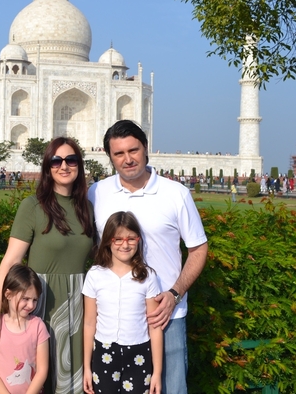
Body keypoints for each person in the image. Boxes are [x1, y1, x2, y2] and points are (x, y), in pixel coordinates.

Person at [88, 120, 207, 394]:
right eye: (119, 153)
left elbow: (198, 249)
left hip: (164, 315)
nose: (128, 159)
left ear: (145, 149)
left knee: (171, 388)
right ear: (110, 157)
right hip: (114, 319)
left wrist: (174, 294)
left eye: (134, 150)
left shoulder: (175, 193)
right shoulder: (97, 193)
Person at [0, 137, 95, 393]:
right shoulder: (33, 207)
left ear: (79, 165)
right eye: (56, 160)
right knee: (34, 378)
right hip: (39, 300)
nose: (64, 166)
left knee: (70, 378)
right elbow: (11, 261)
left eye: (71, 159)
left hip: (77, 303)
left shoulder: (86, 208)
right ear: (47, 166)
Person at [82, 211, 163, 394]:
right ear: (108, 241)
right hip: (104, 354)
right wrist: (87, 367)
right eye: (117, 239)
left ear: (138, 239)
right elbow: (89, 323)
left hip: (139, 354)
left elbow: (155, 327)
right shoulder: (95, 275)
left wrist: (157, 372)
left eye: (131, 239)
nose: (124, 245)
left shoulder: (148, 277)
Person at [0, 264, 50, 394]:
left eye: (35, 300)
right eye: (25, 299)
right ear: (8, 294)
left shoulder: (38, 326)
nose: (31, 305)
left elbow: (42, 371)